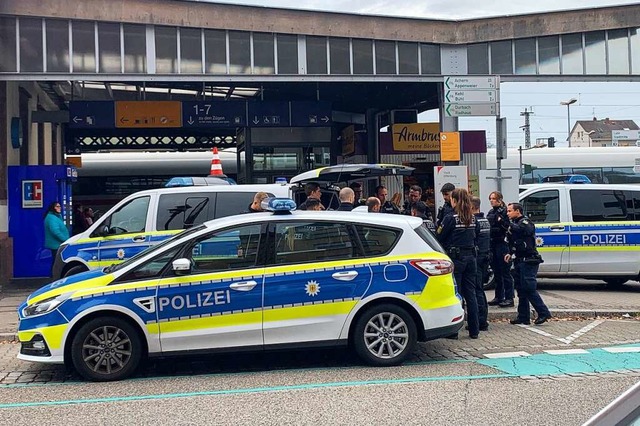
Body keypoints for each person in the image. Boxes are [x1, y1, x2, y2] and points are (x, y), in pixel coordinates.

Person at [436, 188, 479, 339]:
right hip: (471, 258)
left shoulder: (450, 217)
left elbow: (439, 236)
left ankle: (454, 331)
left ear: (454, 200)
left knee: (457, 294)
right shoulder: (472, 218)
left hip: (456, 258)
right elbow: (477, 235)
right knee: (471, 294)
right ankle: (474, 330)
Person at [505, 202, 552, 326]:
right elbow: (513, 241)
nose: (507, 213)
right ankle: (523, 317)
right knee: (521, 290)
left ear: (517, 211)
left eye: (510, 211)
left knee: (529, 288)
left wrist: (508, 224)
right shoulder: (514, 224)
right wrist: (510, 253)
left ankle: (543, 312)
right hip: (520, 259)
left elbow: (525, 230)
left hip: (529, 260)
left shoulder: (525, 222)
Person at [486, 191, 515, 308]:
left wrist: (501, 221)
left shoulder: (504, 212)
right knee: (496, 272)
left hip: (502, 244)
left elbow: (508, 227)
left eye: (493, 198)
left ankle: (509, 298)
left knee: (505, 272)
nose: (492, 201)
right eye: (490, 199)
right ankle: (499, 296)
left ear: (499, 199)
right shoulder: (491, 212)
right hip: (493, 243)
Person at [471, 196, 490, 332]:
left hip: (477, 258)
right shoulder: (486, 221)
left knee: (477, 290)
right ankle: (483, 319)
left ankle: (481, 321)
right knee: (481, 290)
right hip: (485, 257)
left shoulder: (475, 222)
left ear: (472, 207)